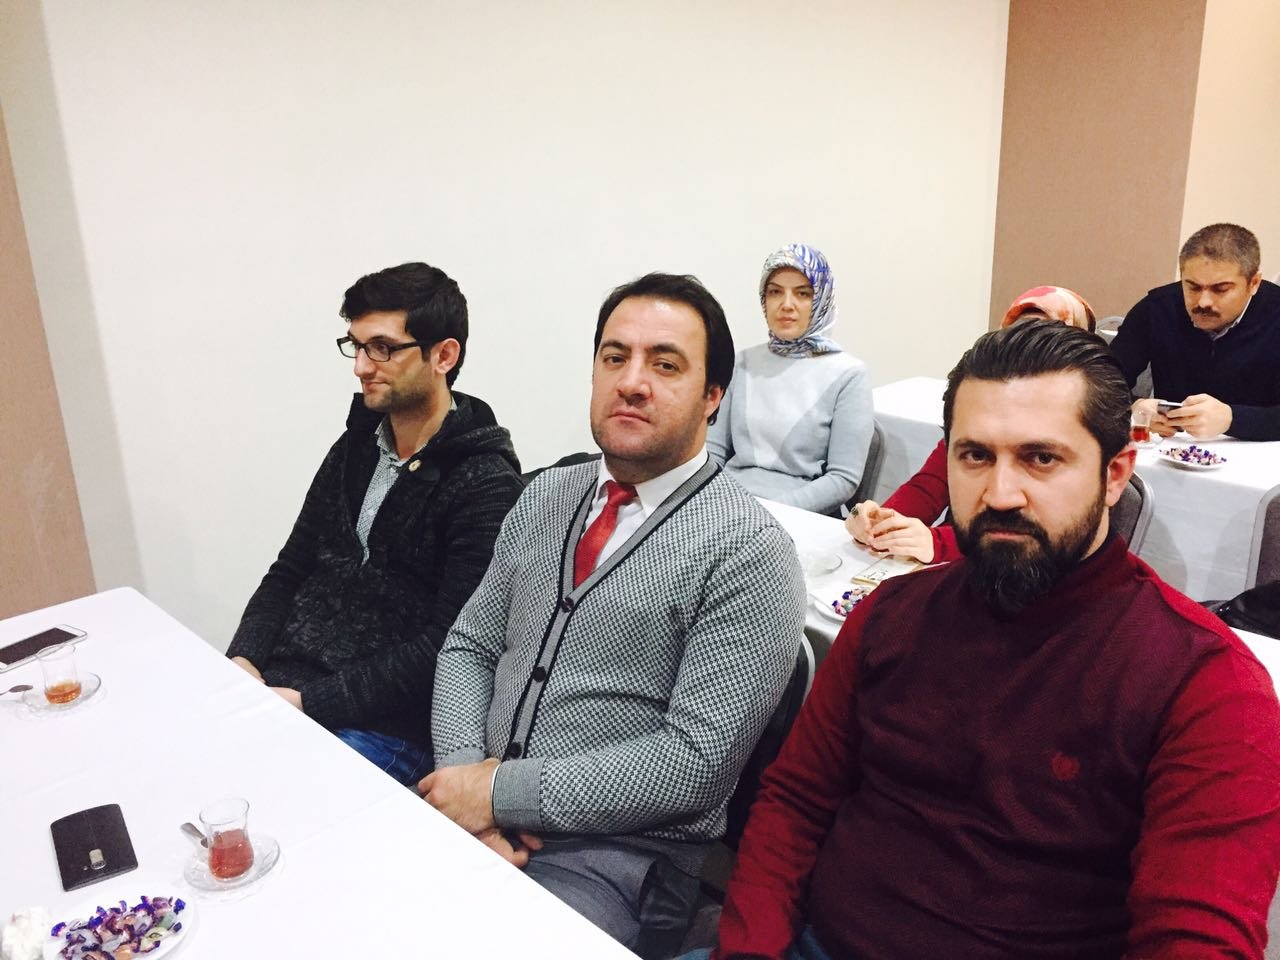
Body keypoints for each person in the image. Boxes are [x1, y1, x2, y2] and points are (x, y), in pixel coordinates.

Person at [696, 321, 1280, 960]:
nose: (1000, 494)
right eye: (975, 456)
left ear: (1115, 474)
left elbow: (1196, 936)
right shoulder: (890, 616)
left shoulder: (1207, 685)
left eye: (1041, 458)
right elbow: (794, 803)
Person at [422, 272, 806, 959]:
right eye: (614, 357)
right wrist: (463, 785)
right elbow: (470, 646)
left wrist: (500, 792)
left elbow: (693, 763)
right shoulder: (545, 495)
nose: (631, 382)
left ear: (713, 397)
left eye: (666, 365)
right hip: (472, 801)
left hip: (617, 861)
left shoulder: (750, 551)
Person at [226, 262, 523, 785]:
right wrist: (244, 658)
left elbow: (449, 645)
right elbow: (290, 569)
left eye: (383, 348)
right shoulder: (356, 447)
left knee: (266, 789)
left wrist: (308, 702)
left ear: (444, 355)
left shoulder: (483, 482)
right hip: (287, 689)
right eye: (357, 346)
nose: (362, 366)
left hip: (387, 729)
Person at [847, 285, 1095, 563]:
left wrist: (937, 542)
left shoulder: (1084, 433)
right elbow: (929, 485)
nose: (1026, 352)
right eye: (1016, 336)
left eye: (1042, 458)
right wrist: (878, 520)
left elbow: (1055, 537)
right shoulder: (981, 416)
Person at [706, 243, 873, 516]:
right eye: (775, 292)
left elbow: (843, 479)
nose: (786, 305)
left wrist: (769, 513)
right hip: (728, 504)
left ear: (821, 300)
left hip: (801, 516)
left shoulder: (849, 374)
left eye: (802, 293)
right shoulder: (741, 362)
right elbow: (712, 453)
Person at [1111, 222, 1280, 441]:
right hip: (1171, 449)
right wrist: (1133, 408)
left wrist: (1233, 419)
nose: (1203, 302)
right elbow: (1100, 380)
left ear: (1253, 283)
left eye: (1220, 289)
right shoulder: (1157, 308)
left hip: (1260, 453)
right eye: (1193, 287)